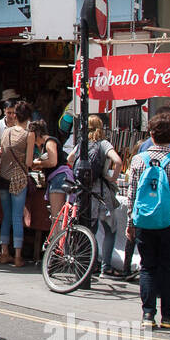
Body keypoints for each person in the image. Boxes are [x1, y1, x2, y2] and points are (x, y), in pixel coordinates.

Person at [125, 113, 170, 330]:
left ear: (151, 134)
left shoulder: (138, 160)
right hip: (169, 222)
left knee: (147, 267)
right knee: (168, 268)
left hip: (144, 222)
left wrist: (130, 222)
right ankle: (168, 315)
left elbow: (132, 195)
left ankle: (147, 314)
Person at [69, 114, 122, 277]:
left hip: (86, 193)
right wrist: (111, 177)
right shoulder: (103, 143)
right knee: (109, 230)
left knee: (90, 230)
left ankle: (90, 265)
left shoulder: (82, 144)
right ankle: (105, 267)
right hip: (102, 193)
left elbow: (70, 159)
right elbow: (118, 161)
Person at [0, 102, 34, 267]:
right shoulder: (29, 135)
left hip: (3, 177)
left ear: (15, 116)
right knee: (17, 217)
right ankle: (18, 256)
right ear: (29, 117)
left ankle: (4, 253)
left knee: (6, 216)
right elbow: (29, 161)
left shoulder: (6, 132)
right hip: (19, 178)